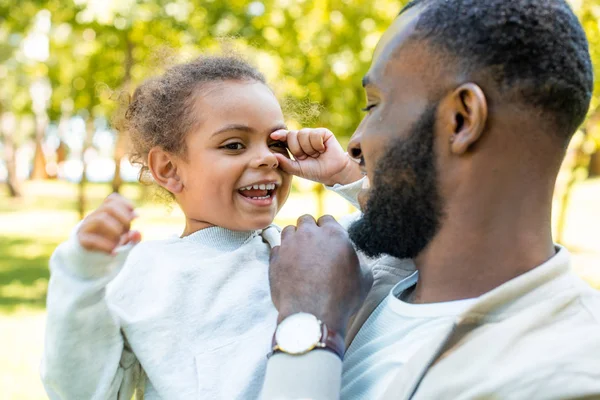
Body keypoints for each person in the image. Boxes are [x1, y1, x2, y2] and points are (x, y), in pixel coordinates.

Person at [263, 0, 600, 399]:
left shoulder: (564, 376)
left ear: (460, 120)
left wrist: (307, 324)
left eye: (375, 105)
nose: (355, 142)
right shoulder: (380, 274)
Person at [40, 55, 364, 399]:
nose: (269, 158)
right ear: (168, 168)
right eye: (234, 145)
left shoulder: (306, 249)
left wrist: (346, 176)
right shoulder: (145, 272)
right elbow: (81, 389)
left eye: (275, 142)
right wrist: (81, 275)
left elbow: (403, 245)